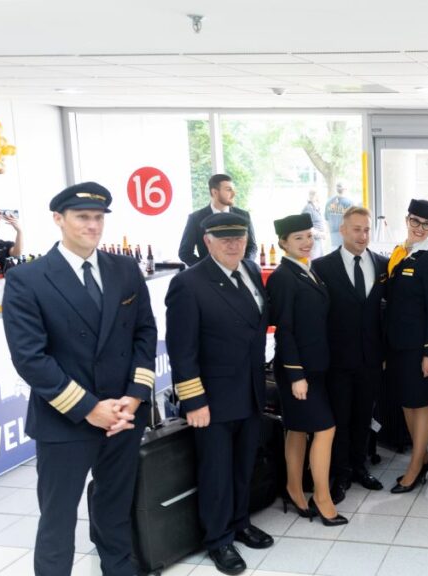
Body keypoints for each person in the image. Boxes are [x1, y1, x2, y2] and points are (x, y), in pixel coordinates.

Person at [2, 182, 156, 576]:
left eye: (99, 217)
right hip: (65, 420)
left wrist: (134, 399)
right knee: (58, 520)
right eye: (82, 217)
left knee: (115, 508)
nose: (93, 225)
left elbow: (144, 332)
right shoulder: (29, 278)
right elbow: (30, 358)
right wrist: (90, 409)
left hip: (122, 415)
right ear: (58, 219)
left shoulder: (124, 269)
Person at [165, 212, 274, 575]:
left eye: (239, 237)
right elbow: (182, 350)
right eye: (224, 238)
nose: (233, 244)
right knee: (215, 472)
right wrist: (193, 399)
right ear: (207, 241)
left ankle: (240, 521)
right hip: (212, 398)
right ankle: (218, 539)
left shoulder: (250, 271)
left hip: (250, 392)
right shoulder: (189, 283)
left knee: (244, 466)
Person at [266, 214, 346, 525]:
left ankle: (294, 488)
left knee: (298, 431)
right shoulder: (283, 277)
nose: (307, 242)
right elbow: (284, 329)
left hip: (317, 367)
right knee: (325, 429)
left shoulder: (308, 271)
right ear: (283, 243)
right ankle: (322, 498)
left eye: (309, 236)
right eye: (298, 238)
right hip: (298, 371)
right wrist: (296, 374)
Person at [311, 206, 388, 502]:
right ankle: (340, 473)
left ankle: (360, 466)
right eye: (356, 229)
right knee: (340, 418)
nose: (362, 235)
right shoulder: (322, 267)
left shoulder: (382, 265)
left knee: (363, 416)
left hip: (371, 358)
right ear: (342, 230)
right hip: (338, 359)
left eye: (366, 229)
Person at [385, 199, 428, 494]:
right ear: (407, 219)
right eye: (415, 221)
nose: (420, 228)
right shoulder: (399, 255)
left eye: (427, 224)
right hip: (398, 346)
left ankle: (415, 466)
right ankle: (422, 459)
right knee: (407, 402)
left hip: (420, 348)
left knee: (420, 403)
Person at [178, 174, 257, 266]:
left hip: (238, 274)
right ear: (215, 192)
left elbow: (252, 247)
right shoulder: (195, 218)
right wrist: (205, 269)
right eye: (228, 189)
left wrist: (244, 266)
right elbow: (185, 252)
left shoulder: (243, 215)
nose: (233, 193)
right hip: (208, 278)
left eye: (233, 189)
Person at [324, 182, 355, 248]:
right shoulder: (349, 203)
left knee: (334, 254)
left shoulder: (329, 202)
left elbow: (326, 219)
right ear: (345, 190)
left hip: (333, 235)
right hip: (345, 234)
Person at [301, 188, 328, 259]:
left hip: (319, 240)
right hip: (313, 241)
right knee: (314, 263)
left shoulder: (317, 208)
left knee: (320, 263)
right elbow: (306, 226)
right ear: (315, 196)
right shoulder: (308, 208)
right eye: (319, 195)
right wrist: (320, 234)